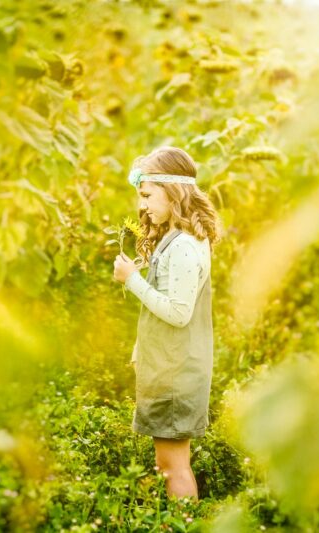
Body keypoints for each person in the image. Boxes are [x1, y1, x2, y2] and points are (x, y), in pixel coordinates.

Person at [112, 146, 223, 501]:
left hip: (176, 372)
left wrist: (132, 279)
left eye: (146, 195)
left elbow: (178, 312)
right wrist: (140, 350)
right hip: (169, 366)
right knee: (169, 463)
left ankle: (183, 524)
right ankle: (178, 523)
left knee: (172, 466)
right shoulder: (176, 239)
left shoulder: (184, 247)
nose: (141, 206)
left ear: (173, 192)